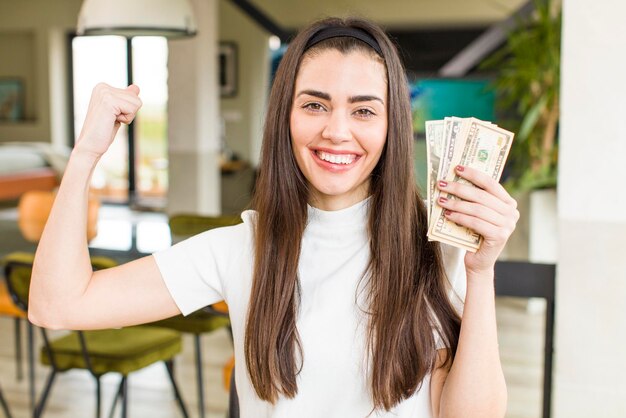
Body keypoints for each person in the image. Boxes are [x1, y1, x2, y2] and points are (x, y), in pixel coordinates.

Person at [28, 16, 518, 418]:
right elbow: (59, 305)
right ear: (285, 115)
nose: (337, 131)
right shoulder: (239, 249)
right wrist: (85, 156)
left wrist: (481, 270)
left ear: (392, 126)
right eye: (314, 105)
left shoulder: (442, 244)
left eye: (364, 111)